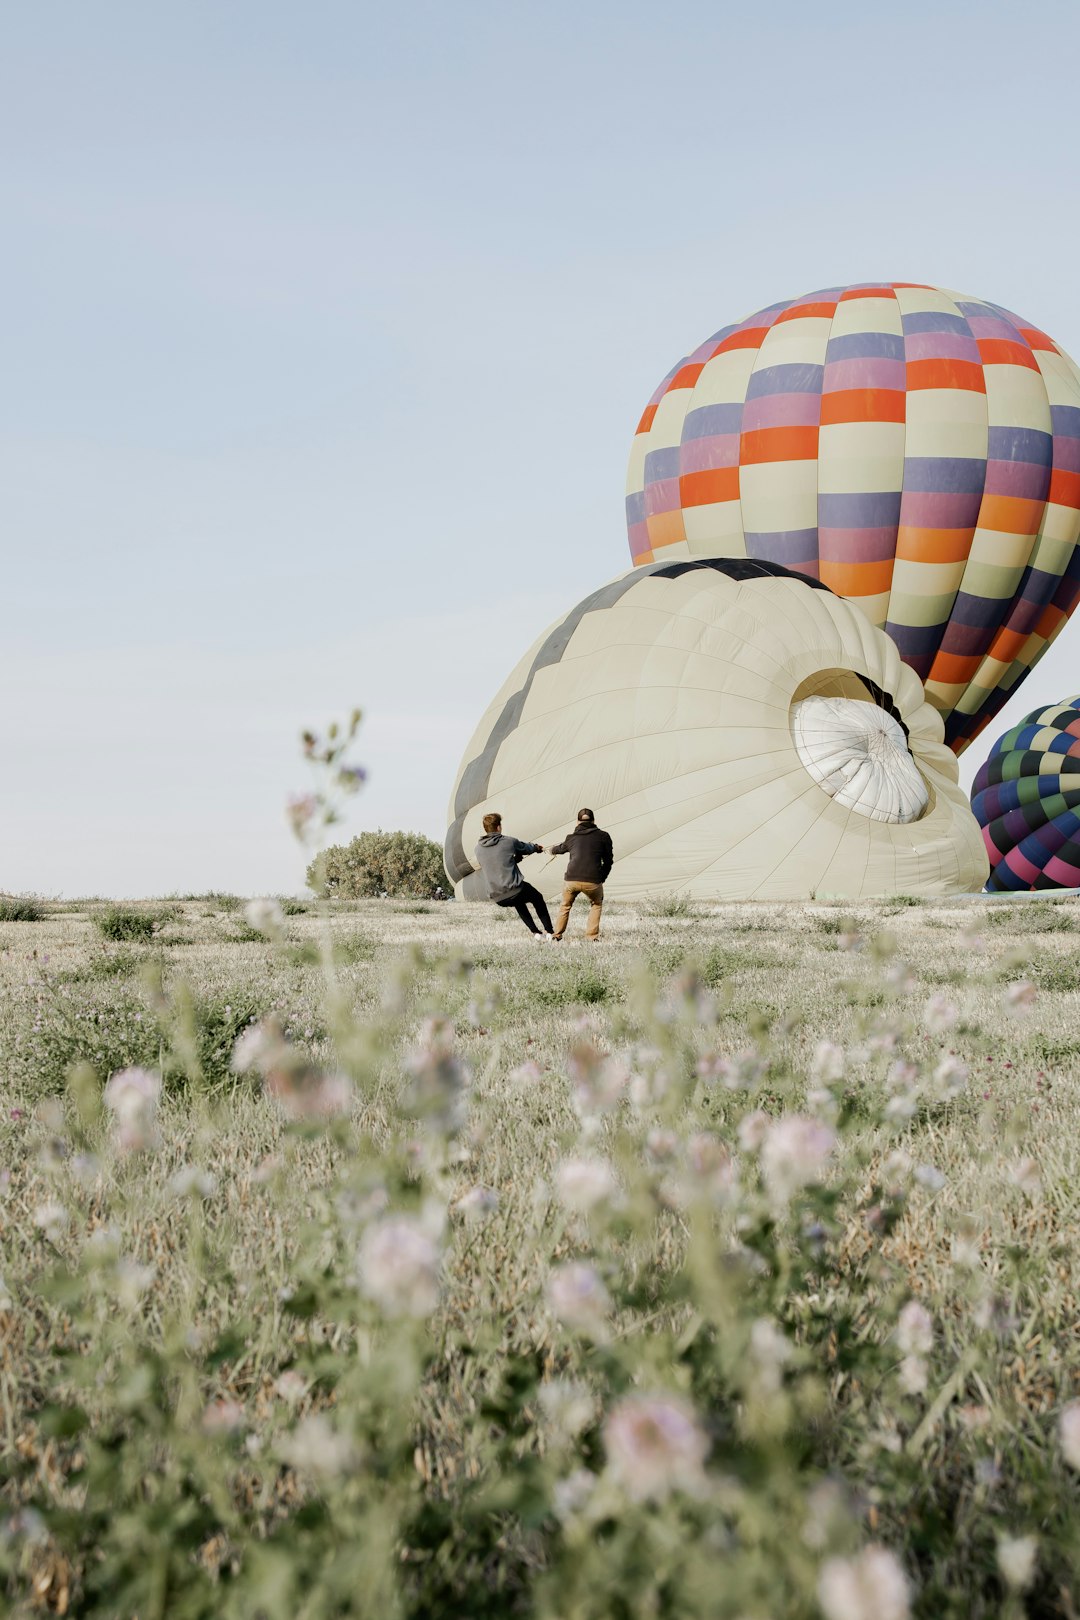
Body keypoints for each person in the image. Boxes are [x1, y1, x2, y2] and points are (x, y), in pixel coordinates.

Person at [473, 812, 557, 941]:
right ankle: (550, 932)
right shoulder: (508, 841)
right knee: (537, 898)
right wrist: (537, 848)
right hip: (515, 889)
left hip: (498, 897)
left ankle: (536, 933)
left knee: (519, 902)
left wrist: (513, 860)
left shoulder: (478, 849)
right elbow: (526, 848)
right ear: (498, 827)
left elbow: (496, 864)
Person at [550, 808, 613, 941]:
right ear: (594, 820)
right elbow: (608, 861)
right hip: (593, 880)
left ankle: (557, 935)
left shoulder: (571, 838)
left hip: (571, 879)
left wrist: (551, 850)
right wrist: (602, 877)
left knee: (565, 906)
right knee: (596, 904)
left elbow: (559, 849)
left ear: (577, 822)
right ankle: (592, 937)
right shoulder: (604, 836)